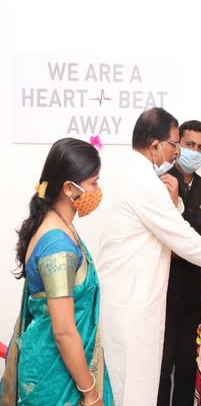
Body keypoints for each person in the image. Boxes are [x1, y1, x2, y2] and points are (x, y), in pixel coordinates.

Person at [95, 108, 201, 406]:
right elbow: (186, 242)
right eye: (175, 144)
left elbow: (175, 230)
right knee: (130, 391)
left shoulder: (140, 176)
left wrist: (176, 204)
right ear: (155, 145)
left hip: (143, 301)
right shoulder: (144, 182)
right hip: (132, 306)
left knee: (156, 379)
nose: (178, 152)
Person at [0, 138, 113, 406]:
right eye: (93, 182)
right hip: (56, 379)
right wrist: (90, 392)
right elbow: (63, 331)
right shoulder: (57, 246)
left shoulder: (58, 226)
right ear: (68, 188)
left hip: (60, 367)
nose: (97, 190)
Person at [157, 120, 201, 406]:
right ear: (177, 146)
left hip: (195, 292)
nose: (195, 152)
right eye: (189, 145)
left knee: (188, 364)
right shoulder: (160, 181)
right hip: (163, 289)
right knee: (162, 365)